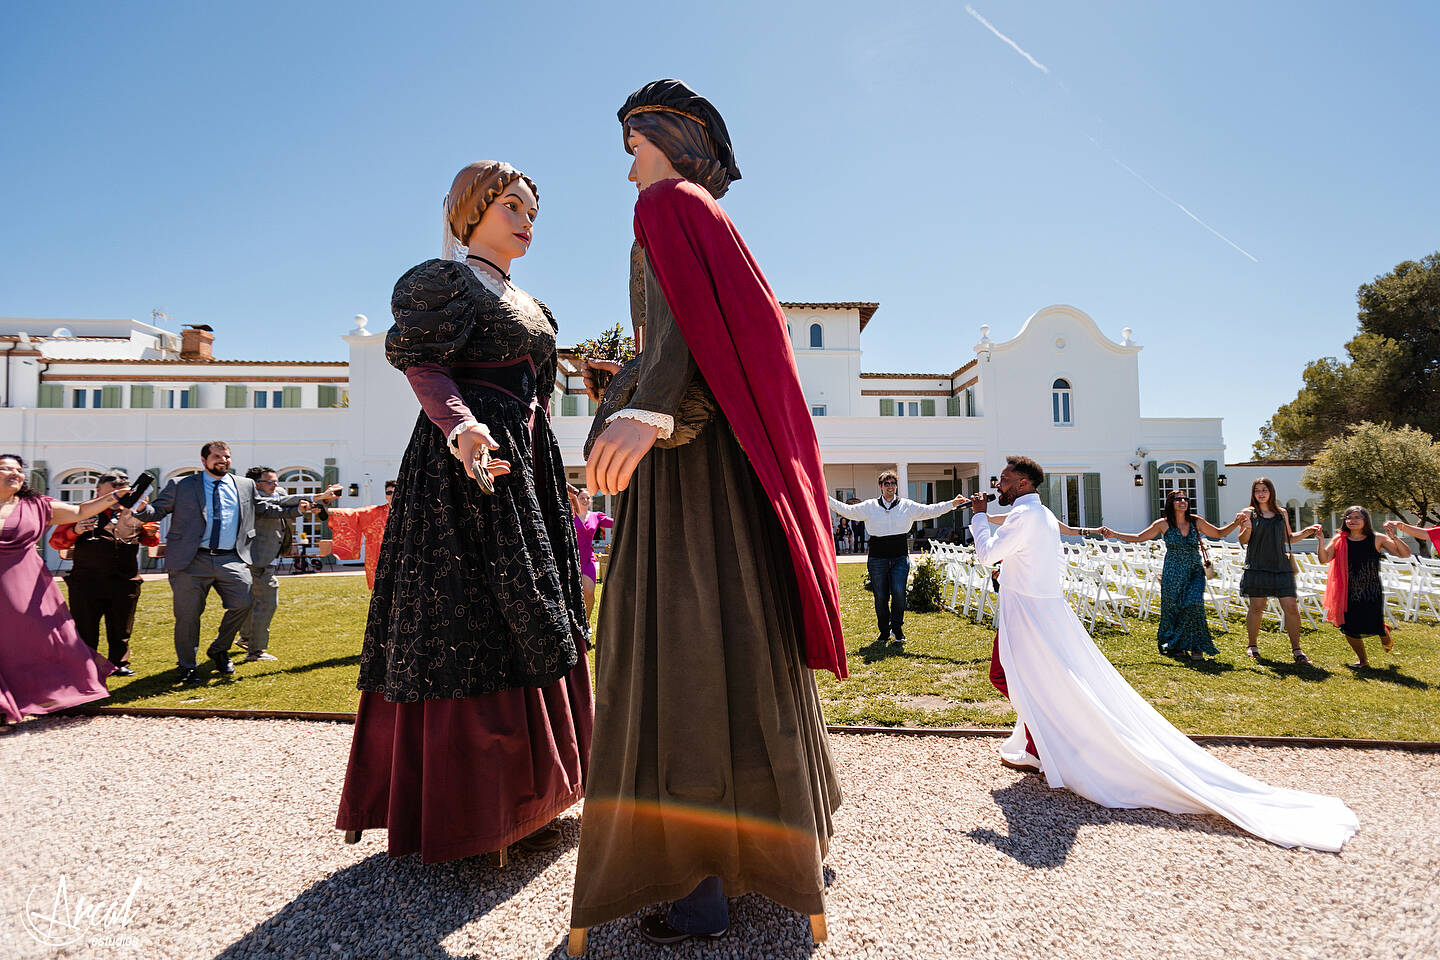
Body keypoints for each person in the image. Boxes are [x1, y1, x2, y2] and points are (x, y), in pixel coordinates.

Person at [569, 80, 845, 951]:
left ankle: (697, 878)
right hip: (729, 473)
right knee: (738, 640)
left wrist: (646, 409)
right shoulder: (709, 216)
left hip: (690, 477)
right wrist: (636, 387)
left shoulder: (670, 205)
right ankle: (776, 848)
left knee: (682, 647)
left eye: (634, 150)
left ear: (668, 139)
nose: (631, 174)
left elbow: (682, 328)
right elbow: (708, 336)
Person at [335, 161, 592, 865]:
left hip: (527, 467)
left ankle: (542, 793)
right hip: (464, 465)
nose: (525, 220)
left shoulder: (534, 306)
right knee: (471, 613)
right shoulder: (443, 283)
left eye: (532, 210)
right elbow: (426, 367)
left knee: (535, 606)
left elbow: (538, 397)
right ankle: (482, 811)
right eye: (511, 205)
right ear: (470, 210)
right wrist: (462, 428)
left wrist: (551, 471)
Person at [969, 455, 1358, 851]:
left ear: (1022, 483)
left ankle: (1051, 739)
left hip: (1031, 614)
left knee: (1010, 676)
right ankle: (1037, 742)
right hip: (1037, 609)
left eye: (1004, 479)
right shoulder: (1041, 514)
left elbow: (986, 554)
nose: (998, 484)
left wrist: (979, 516)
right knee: (1029, 679)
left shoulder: (1024, 515)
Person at [132, 442, 289, 684]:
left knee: (244, 603)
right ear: (204, 460)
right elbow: (157, 511)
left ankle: (219, 649)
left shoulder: (244, 485)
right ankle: (187, 666)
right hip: (190, 560)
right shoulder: (181, 485)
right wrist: (142, 509)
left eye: (226, 456)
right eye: (217, 456)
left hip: (230, 558)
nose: (222, 460)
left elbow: (264, 508)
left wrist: (300, 507)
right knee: (188, 616)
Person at [0, 453, 124, 722]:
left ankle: (58, 691)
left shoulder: (36, 505)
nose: (16, 473)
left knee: (45, 638)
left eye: (19, 470)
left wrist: (113, 497)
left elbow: (80, 512)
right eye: (7, 468)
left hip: (27, 583)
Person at [1099, 491, 1245, 661]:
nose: (1183, 501)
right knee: (1172, 607)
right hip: (1173, 571)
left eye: (1185, 499)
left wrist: (1236, 523)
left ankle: (1196, 645)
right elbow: (1139, 537)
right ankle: (1176, 645)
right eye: (1178, 499)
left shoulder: (1196, 521)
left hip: (1194, 571)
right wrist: (1115, 534)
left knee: (1194, 604)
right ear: (1171, 503)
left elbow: (1219, 533)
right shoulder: (1163, 524)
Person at [827, 471, 964, 647]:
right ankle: (884, 632)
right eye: (886, 483)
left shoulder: (907, 506)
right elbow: (847, 510)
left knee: (899, 593)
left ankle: (897, 629)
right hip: (877, 558)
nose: (890, 486)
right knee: (881, 596)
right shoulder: (870, 506)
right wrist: (827, 498)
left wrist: (952, 504)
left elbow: (931, 510)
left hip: (899, 557)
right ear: (881, 486)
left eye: (893, 483)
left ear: (896, 486)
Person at [48, 472, 161, 677]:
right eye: (111, 494)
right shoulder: (80, 512)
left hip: (125, 580)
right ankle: (86, 663)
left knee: (121, 626)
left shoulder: (135, 512)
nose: (116, 499)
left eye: (122, 494)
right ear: (98, 491)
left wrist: (151, 533)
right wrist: (76, 530)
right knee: (85, 626)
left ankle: (119, 663)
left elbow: (149, 540)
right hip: (87, 582)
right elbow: (56, 542)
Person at [235, 467, 318, 662]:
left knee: (252, 600)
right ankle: (256, 651)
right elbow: (274, 506)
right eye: (270, 482)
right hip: (254, 557)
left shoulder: (278, 492)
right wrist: (312, 499)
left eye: (276, 481)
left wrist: (313, 505)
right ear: (256, 484)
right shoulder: (250, 499)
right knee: (266, 602)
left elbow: (285, 505)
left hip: (267, 554)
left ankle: (246, 638)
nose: (275, 485)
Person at [1235, 478, 1322, 663]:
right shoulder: (1248, 513)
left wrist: (1306, 531)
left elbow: (1288, 538)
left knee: (1291, 607)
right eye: (1257, 490)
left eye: (1264, 490)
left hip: (1281, 566)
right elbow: (1243, 540)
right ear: (1253, 493)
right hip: (1257, 566)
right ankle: (1252, 646)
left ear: (1271, 492)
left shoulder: (1281, 513)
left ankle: (1297, 650)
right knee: (1257, 607)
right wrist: (1247, 528)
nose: (1261, 493)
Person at [1319, 507, 1410, 669]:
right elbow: (1324, 559)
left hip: (1370, 591)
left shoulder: (1377, 538)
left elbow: (1404, 554)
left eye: (1357, 517)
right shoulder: (1339, 539)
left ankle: (1384, 632)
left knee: (1374, 624)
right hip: (1346, 591)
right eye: (1349, 517)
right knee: (1349, 627)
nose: (1352, 520)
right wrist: (1320, 541)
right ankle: (1363, 661)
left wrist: (1393, 537)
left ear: (1365, 520)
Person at [326, 481, 393, 590]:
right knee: (380, 590)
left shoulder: (410, 514)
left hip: (403, 555)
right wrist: (325, 505)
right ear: (385, 495)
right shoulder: (374, 512)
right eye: (389, 492)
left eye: (395, 492)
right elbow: (353, 514)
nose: (392, 495)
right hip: (377, 556)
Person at [567, 486, 612, 623]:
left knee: (589, 592)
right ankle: (573, 622)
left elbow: (615, 523)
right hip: (571, 559)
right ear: (576, 499)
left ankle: (586, 622)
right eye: (582, 498)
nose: (585, 500)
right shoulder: (569, 515)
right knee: (570, 594)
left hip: (588, 559)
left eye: (588, 498)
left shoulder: (596, 516)